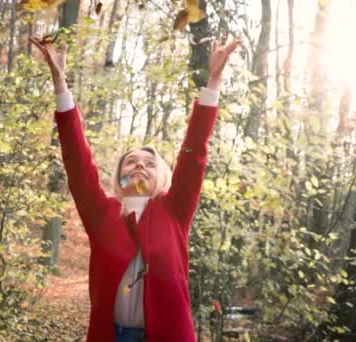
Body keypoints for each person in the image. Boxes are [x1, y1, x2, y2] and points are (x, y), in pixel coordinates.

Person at [31, 36, 239, 341]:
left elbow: (195, 150)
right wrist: (60, 84)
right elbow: (77, 160)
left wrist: (213, 81)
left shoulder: (174, 210)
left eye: (150, 164)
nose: (140, 166)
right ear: (119, 175)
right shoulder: (101, 212)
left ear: (164, 179)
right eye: (131, 162)